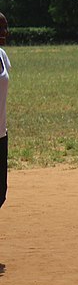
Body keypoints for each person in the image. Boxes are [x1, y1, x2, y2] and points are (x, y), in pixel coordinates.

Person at [0, 12, 10, 209]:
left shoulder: (2, 55)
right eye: (1, 28)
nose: (5, 32)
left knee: (1, 194)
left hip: (1, 134)